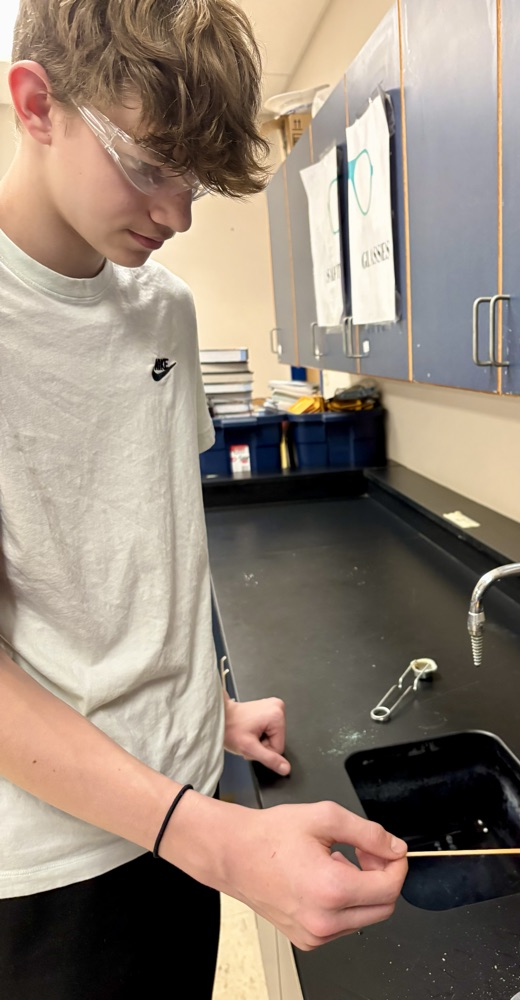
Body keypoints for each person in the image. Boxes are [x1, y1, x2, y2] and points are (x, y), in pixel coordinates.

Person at [0, 2, 408, 996]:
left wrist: (205, 711)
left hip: (185, 799)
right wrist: (216, 840)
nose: (177, 213)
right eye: (149, 164)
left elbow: (133, 552)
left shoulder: (163, 309)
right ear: (35, 102)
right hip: (57, 870)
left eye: (196, 182)